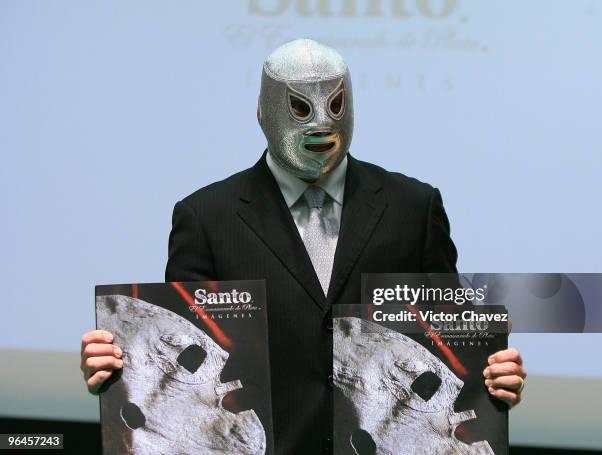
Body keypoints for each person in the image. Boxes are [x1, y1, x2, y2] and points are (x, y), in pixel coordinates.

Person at [80, 39, 526, 454]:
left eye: (336, 105)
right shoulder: (206, 218)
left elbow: (449, 334)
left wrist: (494, 378)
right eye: (299, 107)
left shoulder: (414, 207)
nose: (322, 124)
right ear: (264, 111)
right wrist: (116, 373)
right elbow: (178, 350)